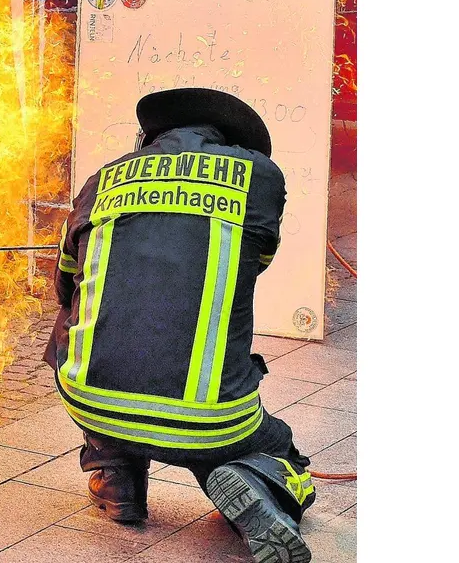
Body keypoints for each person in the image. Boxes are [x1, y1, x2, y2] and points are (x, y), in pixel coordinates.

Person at [49, 88, 315, 563]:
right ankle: (255, 478)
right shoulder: (260, 176)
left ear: (149, 137)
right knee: (280, 449)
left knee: (74, 316)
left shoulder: (103, 179)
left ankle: (114, 471)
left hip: (89, 399)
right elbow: (260, 259)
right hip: (211, 420)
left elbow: (66, 281)